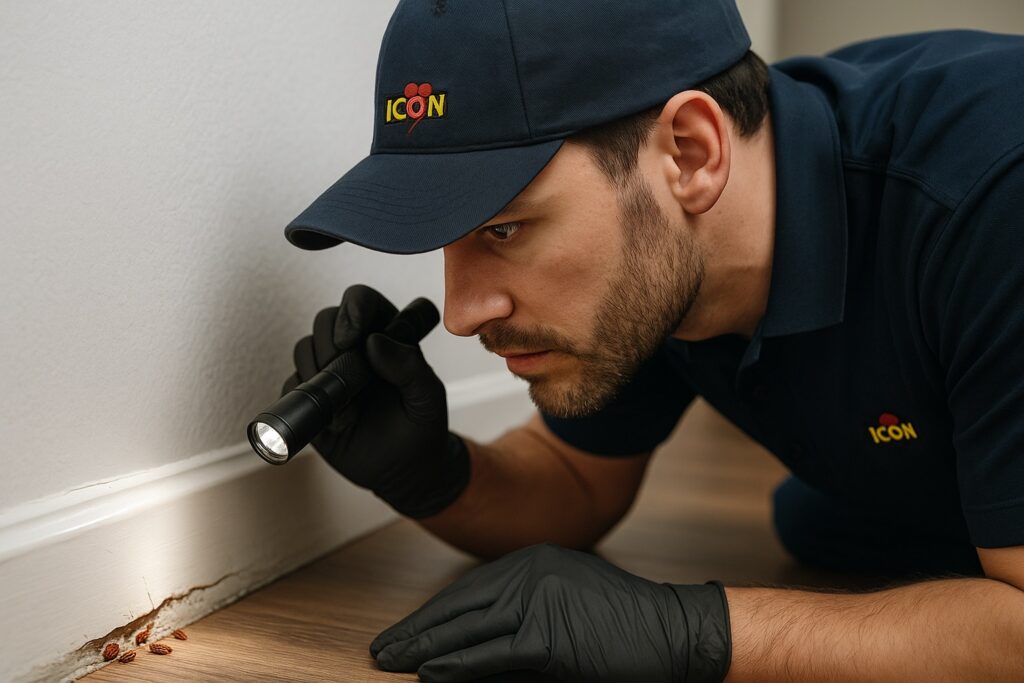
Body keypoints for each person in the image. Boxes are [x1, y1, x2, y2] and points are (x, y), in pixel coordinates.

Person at [278, 1, 1024, 680]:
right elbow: (574, 483)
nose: (463, 311)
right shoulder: (662, 263)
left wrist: (691, 631)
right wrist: (430, 473)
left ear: (690, 153)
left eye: (504, 228)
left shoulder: (991, 198)